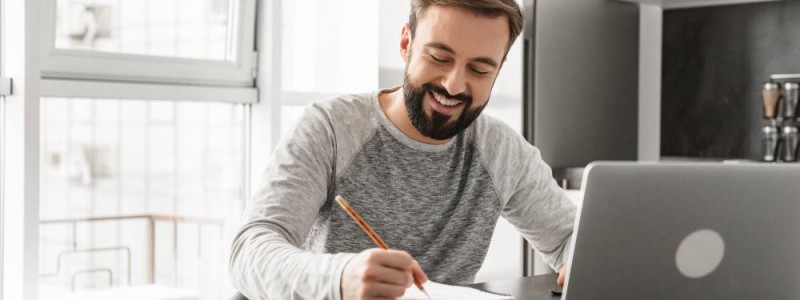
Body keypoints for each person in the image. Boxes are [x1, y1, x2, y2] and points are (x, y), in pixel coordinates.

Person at [229, 0, 576, 299]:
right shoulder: (331, 128)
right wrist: (339, 278)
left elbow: (571, 239)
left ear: (498, 71)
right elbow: (250, 252)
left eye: (479, 69)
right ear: (406, 43)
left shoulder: (502, 151)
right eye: (440, 57)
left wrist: (578, 256)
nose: (454, 84)